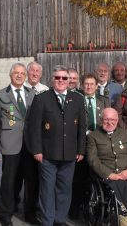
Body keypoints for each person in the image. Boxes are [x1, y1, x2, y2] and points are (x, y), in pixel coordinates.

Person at [27, 65, 87, 226]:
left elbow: (82, 127)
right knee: (47, 190)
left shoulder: (78, 99)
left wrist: (81, 150)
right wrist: (37, 150)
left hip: (69, 154)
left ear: (69, 81)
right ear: (52, 80)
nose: (60, 81)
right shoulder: (41, 98)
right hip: (47, 154)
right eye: (57, 78)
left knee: (64, 189)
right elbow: (34, 128)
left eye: (64, 78)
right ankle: (47, 221)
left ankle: (59, 219)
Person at [0, 64, 36, 226]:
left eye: (22, 73)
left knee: (31, 180)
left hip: (30, 144)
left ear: (26, 76)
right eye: (16, 73)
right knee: (9, 181)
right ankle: (6, 214)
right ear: (10, 75)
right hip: (10, 144)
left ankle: (30, 213)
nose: (19, 76)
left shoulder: (32, 94)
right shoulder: (1, 95)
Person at [69, 73, 110, 220]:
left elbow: (109, 121)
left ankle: (97, 209)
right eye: (86, 84)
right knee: (78, 178)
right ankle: (75, 209)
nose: (89, 86)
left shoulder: (104, 101)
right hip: (81, 144)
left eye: (92, 84)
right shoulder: (75, 100)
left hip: (100, 145)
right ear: (82, 85)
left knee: (98, 176)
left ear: (97, 86)